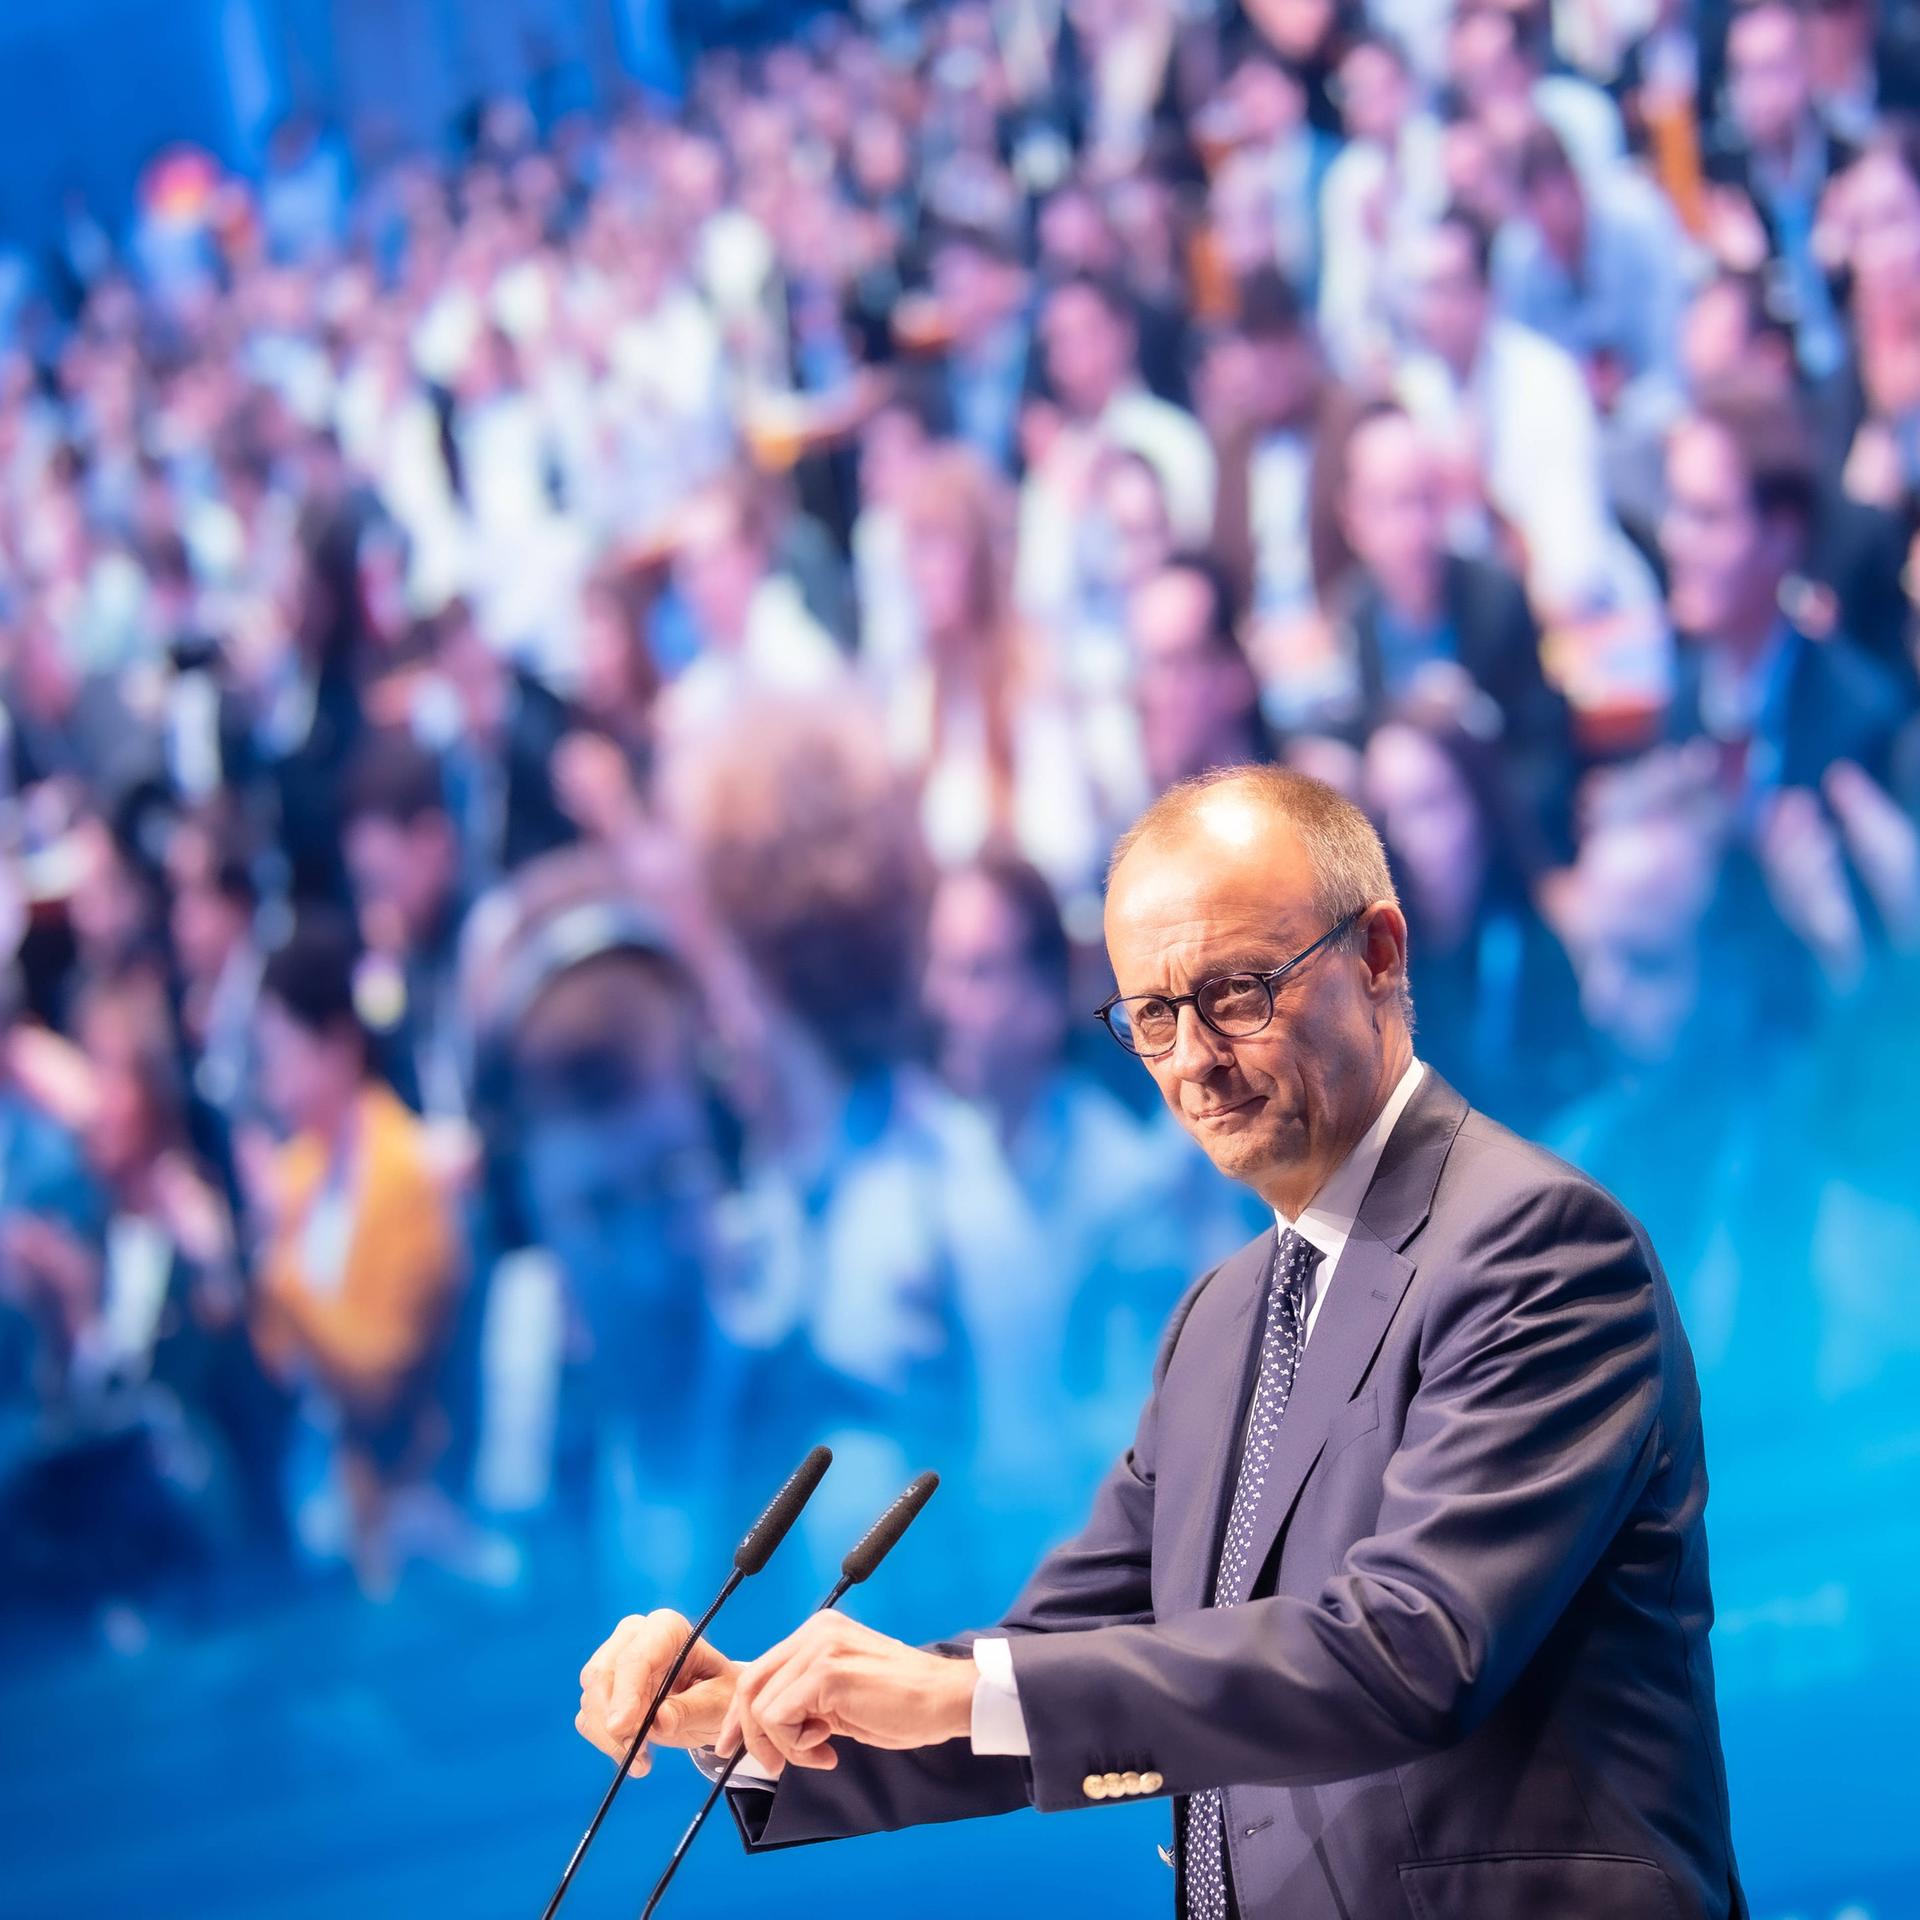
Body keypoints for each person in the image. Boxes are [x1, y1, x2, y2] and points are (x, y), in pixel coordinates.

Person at [572, 765, 1745, 1920]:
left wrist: (958, 1688)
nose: (1193, 1058)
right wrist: (746, 1715)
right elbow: (1063, 1667)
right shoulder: (1221, 1320)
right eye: (1151, 1015)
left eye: (1237, 993)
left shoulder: (1538, 1246)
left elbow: (1409, 1649)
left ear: (1378, 955)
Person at [246, 912, 463, 1595]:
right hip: (330, 1508)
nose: (269, 1081)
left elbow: (382, 1382)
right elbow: (281, 1363)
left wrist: (281, 1281)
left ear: (338, 1045)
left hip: (413, 1510)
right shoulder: (301, 1173)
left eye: (280, 1055)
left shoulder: (404, 1171)